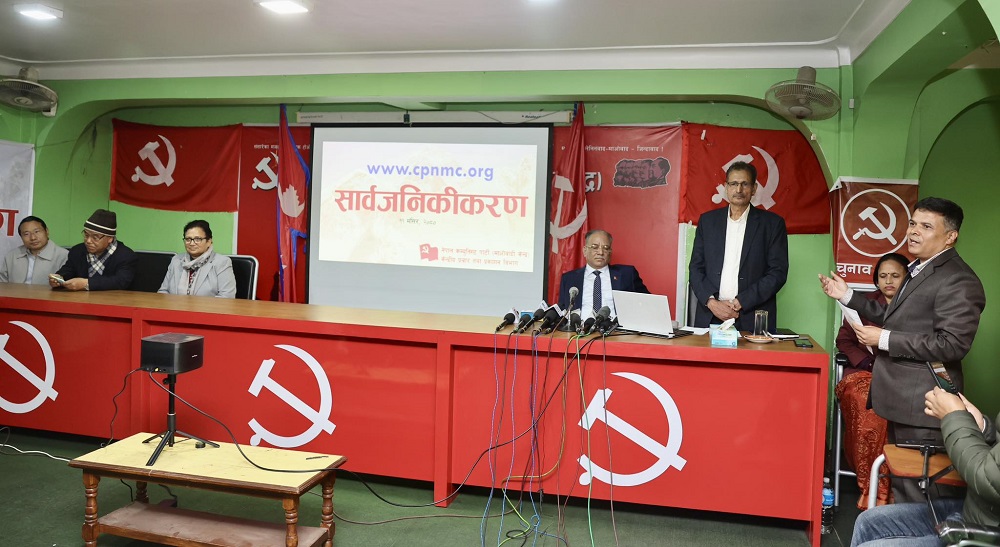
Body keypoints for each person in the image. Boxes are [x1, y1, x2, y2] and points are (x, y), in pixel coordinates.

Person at [819, 197, 986, 503]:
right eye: (912, 223)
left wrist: (884, 339)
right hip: (902, 400)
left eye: (926, 226)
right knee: (904, 486)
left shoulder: (958, 279)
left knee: (920, 495)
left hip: (923, 403)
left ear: (950, 236)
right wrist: (847, 295)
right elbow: (897, 318)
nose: (913, 232)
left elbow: (952, 344)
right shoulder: (919, 269)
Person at [850, 387, 998, 546]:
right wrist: (982, 427)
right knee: (867, 523)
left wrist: (954, 417)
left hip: (987, 532)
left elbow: (988, 478)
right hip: (975, 510)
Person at [835, 252, 909, 509]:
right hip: (864, 372)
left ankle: (893, 487)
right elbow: (843, 341)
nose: (888, 281)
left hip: (902, 375)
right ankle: (872, 487)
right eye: (883, 276)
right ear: (876, 280)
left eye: (895, 276)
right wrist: (868, 363)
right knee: (871, 407)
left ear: (907, 279)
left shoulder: (914, 308)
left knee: (898, 408)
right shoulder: (863, 304)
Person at [688, 161, 788, 332]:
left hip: (752, 316)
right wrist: (712, 302)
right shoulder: (708, 221)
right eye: (733, 184)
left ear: (754, 188)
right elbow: (696, 268)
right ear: (726, 187)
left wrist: (742, 301)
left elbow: (777, 273)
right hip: (711, 314)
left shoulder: (772, 224)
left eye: (745, 184)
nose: (739, 189)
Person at [557, 229, 648, 319]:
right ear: (585, 251)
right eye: (595, 247)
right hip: (580, 327)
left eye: (606, 248)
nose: (600, 252)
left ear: (610, 252)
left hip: (616, 328)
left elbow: (648, 302)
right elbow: (563, 310)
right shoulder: (569, 279)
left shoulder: (627, 274)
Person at [51, 208, 137, 291]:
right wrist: (59, 278)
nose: (88, 241)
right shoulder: (77, 251)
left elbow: (121, 281)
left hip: (113, 299)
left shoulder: (126, 256)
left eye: (95, 237)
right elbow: (68, 270)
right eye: (86, 235)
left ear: (110, 238)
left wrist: (87, 284)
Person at [158, 220, 236, 298]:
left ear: (209, 241)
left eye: (197, 239)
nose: (192, 243)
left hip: (207, 306)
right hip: (175, 305)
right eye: (188, 239)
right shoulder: (176, 260)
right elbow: (163, 292)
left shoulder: (222, 262)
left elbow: (227, 297)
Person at [0, 216, 69, 284]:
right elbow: (2, 284)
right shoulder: (12, 256)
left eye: (37, 231)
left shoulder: (64, 256)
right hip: (15, 292)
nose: (33, 238)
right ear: (21, 237)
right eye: (26, 234)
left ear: (47, 231)